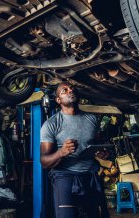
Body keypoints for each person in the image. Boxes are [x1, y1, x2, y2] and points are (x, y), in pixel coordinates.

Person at [40, 82, 109, 218]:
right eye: (64, 90)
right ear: (58, 100)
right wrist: (61, 152)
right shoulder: (51, 124)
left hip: (90, 175)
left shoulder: (92, 119)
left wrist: (103, 152)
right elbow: (44, 161)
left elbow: (98, 144)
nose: (70, 90)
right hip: (64, 176)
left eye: (71, 88)